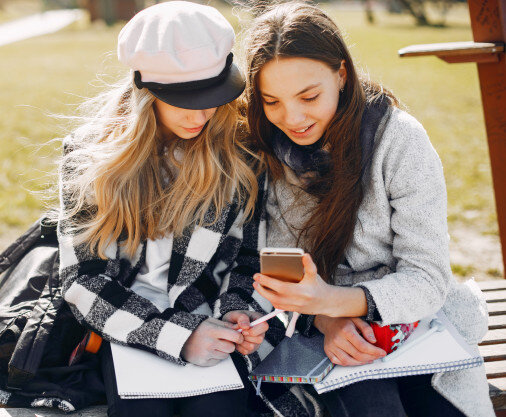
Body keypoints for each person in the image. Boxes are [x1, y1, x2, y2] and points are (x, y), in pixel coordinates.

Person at [242, 3, 493, 417]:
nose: (293, 118)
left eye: (309, 96)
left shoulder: (400, 142)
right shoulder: (267, 152)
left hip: (419, 325)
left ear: (341, 74)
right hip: (327, 338)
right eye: (272, 101)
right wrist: (326, 319)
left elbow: (428, 279)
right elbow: (281, 273)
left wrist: (337, 301)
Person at [56, 2, 276, 417]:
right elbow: (83, 282)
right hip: (121, 324)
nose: (202, 114)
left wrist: (237, 314)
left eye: (213, 96)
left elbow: (250, 257)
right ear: (146, 90)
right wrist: (176, 336)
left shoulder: (242, 152)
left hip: (209, 323)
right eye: (184, 100)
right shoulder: (90, 156)